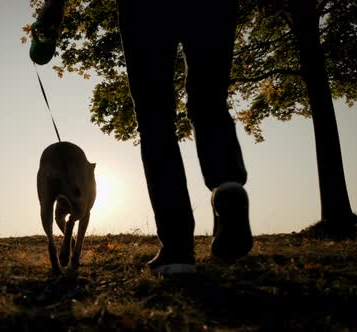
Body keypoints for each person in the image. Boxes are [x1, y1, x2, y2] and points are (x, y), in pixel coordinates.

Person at [31, 0, 252, 276]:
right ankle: (228, 186)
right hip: (212, 9)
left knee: (155, 118)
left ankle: (177, 249)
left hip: (145, 10)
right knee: (209, 99)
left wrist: (54, 8)